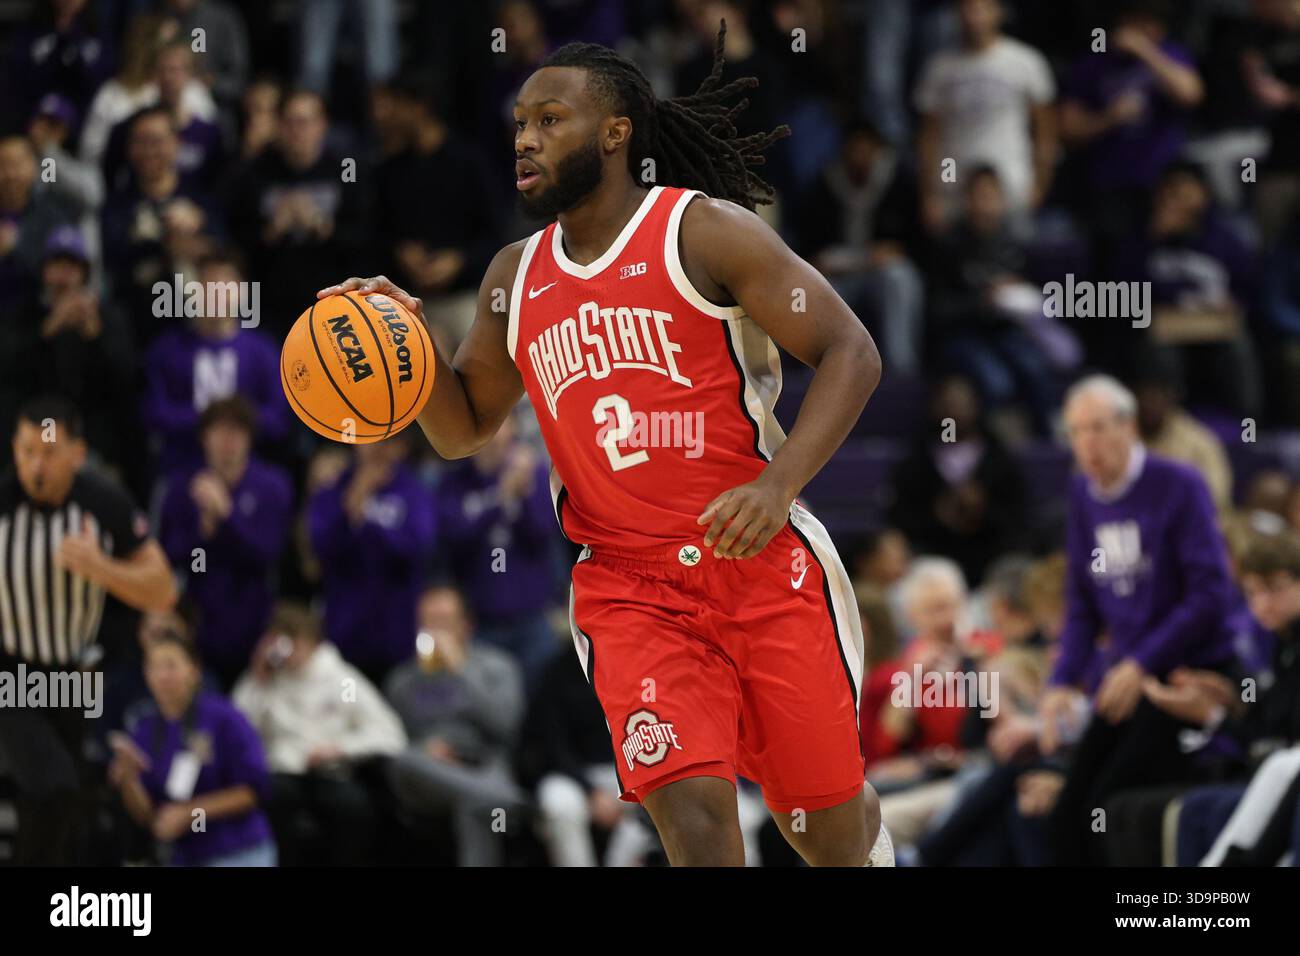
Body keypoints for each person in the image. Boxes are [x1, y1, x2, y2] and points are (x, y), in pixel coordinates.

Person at [319, 22, 890, 866]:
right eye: (519, 122)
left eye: (550, 120)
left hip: (761, 562)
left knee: (826, 834)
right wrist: (399, 342)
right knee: (695, 817)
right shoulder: (514, 276)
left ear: (616, 133)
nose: (525, 138)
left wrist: (778, 488)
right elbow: (461, 425)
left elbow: (852, 351)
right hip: (629, 588)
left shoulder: (704, 233)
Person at [1038, 374, 1238, 865]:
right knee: (1066, 813)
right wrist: (1062, 681)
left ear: (1129, 428)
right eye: (1078, 432)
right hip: (1126, 679)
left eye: (1100, 428)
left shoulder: (1179, 485)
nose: (1088, 444)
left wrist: (1142, 662)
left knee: (1101, 806)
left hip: (1186, 676)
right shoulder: (1083, 494)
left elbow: (1210, 593)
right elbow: (1082, 603)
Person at [0, 395, 177, 864]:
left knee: (66, 802)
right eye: (25, 451)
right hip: (11, 672)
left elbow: (162, 592)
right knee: (52, 785)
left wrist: (103, 569)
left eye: (49, 452)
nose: (35, 465)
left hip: (77, 676)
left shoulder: (104, 505)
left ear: (78, 453)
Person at [231, 603, 406, 866]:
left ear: (313, 642)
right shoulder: (264, 678)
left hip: (331, 774)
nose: (287, 651)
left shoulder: (341, 680)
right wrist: (258, 681)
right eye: (280, 641)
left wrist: (341, 748)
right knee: (271, 798)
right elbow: (236, 732)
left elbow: (390, 733)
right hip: (282, 774)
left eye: (294, 641)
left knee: (355, 808)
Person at [383, 586, 530, 868]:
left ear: (466, 625)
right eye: (428, 623)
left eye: (444, 623)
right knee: (402, 759)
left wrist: (461, 671)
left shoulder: (497, 666)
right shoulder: (402, 679)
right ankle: (510, 801)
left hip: (483, 762)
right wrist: (425, 749)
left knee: (475, 805)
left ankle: (490, 795)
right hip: (426, 773)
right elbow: (392, 739)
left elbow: (507, 728)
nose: (436, 632)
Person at [111, 625, 277, 866]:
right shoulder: (145, 728)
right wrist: (129, 779)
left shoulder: (224, 717)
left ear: (194, 670)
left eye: (171, 665)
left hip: (237, 849)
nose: (162, 676)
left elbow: (255, 788)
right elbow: (148, 816)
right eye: (153, 667)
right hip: (184, 857)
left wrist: (192, 812)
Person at [158, 397, 292, 689]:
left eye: (236, 432)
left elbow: (267, 553)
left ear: (249, 437)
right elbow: (171, 556)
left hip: (255, 621)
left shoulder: (271, 486)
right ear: (205, 437)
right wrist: (201, 535)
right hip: (200, 622)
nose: (227, 441)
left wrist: (227, 517)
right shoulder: (182, 486)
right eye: (219, 431)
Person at [306, 433, 436, 686]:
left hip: (397, 633)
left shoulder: (414, 493)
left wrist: (367, 523)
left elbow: (417, 547)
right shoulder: (333, 491)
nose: (379, 448)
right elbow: (323, 548)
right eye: (371, 438)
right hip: (345, 628)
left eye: (389, 441)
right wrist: (353, 501)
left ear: (402, 447)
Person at [914, 0, 1056, 231]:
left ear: (998, 12)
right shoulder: (940, 68)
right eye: (967, 8)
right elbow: (930, 136)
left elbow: (1045, 130)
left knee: (1015, 261)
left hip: (1013, 185)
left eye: (982, 8)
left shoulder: (1025, 61)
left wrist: (1041, 183)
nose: (974, 17)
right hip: (954, 185)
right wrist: (930, 194)